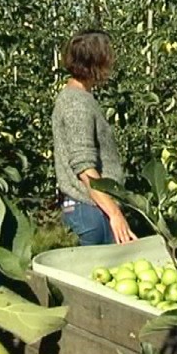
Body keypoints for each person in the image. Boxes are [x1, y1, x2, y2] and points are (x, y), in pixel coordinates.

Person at [51, 29, 138, 246]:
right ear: (95, 62)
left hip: (93, 208)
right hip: (91, 209)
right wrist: (114, 213)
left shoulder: (81, 98)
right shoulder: (76, 104)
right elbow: (84, 168)